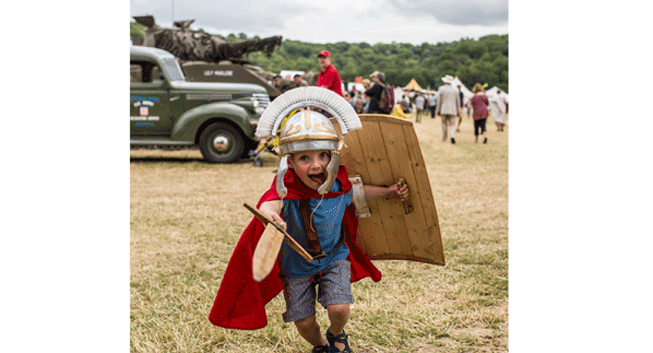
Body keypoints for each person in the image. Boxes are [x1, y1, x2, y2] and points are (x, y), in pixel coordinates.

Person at [209, 88, 409, 353]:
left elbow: (357, 193)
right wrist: (268, 215)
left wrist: (388, 193)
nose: (316, 165)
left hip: (334, 256)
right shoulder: (286, 189)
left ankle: (337, 334)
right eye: (305, 158)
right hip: (295, 265)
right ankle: (321, 345)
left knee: (339, 308)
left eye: (323, 156)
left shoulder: (339, 184)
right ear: (289, 162)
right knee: (304, 323)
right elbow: (269, 203)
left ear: (333, 156)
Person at [436, 75, 461, 144]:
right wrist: (458, 111)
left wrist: (438, 110)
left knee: (444, 124)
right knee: (452, 124)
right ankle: (452, 136)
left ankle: (445, 138)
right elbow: (458, 102)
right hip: (453, 110)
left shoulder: (441, 88)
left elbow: (439, 101)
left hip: (443, 109)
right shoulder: (455, 90)